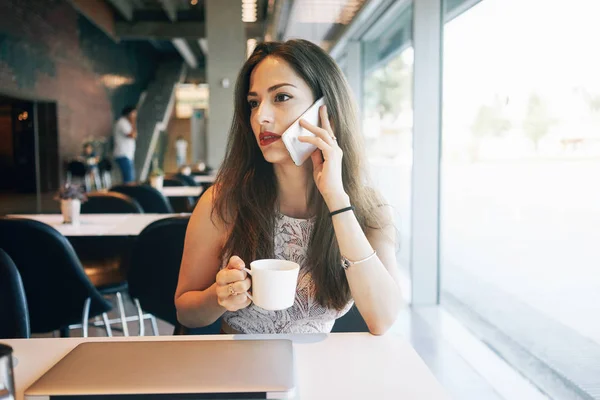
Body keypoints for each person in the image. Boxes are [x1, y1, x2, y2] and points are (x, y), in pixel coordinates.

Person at [175, 39, 403, 335]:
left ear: (326, 112)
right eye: (254, 103)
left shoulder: (369, 208)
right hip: (240, 373)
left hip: (322, 371)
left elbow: (382, 319)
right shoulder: (223, 201)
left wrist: (336, 199)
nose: (260, 116)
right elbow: (186, 312)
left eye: (281, 97)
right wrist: (218, 297)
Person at [113, 106, 137, 183]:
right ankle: (128, 194)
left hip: (127, 155)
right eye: (134, 114)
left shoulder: (126, 123)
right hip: (123, 154)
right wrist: (133, 121)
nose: (135, 116)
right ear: (129, 114)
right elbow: (132, 135)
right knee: (129, 179)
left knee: (130, 178)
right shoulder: (122, 122)